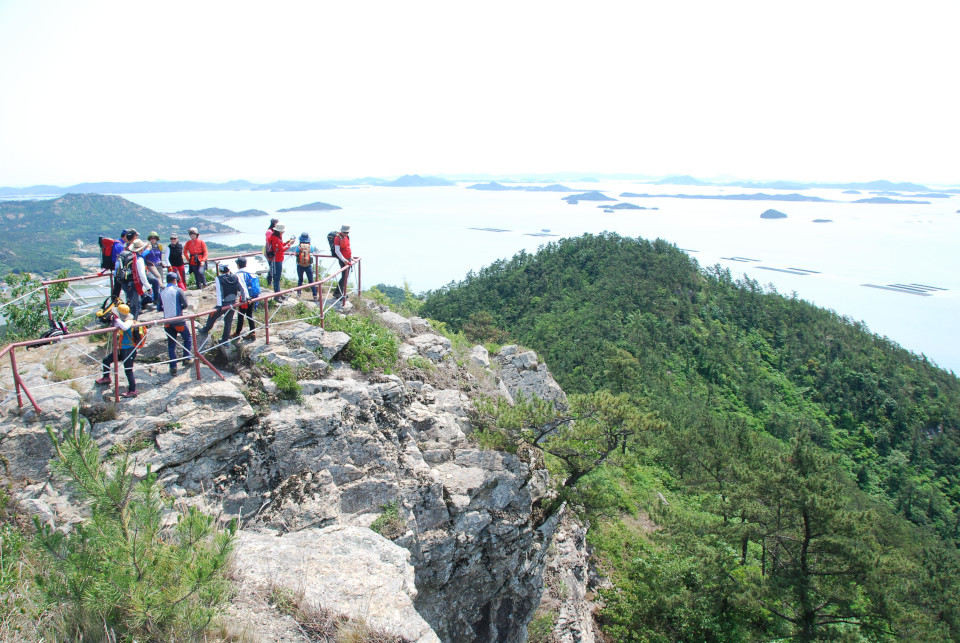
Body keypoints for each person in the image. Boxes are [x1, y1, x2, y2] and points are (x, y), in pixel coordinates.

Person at [95, 303, 140, 398]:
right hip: (122, 348)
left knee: (128, 370)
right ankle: (106, 377)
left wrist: (117, 319)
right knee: (106, 360)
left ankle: (133, 390)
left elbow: (124, 327)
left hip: (129, 349)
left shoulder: (129, 321)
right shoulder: (122, 320)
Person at [199, 264, 249, 344]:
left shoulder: (219, 278)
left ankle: (205, 329)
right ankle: (225, 340)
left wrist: (219, 305)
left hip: (223, 304)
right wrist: (244, 299)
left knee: (212, 316)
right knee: (228, 322)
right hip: (233, 303)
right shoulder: (235, 276)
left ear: (220, 271)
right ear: (229, 270)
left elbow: (219, 292)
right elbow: (242, 288)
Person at [160, 272, 192, 375]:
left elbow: (158, 307)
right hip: (178, 320)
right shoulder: (178, 290)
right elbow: (185, 304)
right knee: (187, 338)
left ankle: (173, 366)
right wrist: (180, 308)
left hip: (167, 321)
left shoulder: (162, 292)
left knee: (171, 344)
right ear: (175, 280)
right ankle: (187, 358)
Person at [115, 238, 149, 319]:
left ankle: (128, 323)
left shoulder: (128, 256)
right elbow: (142, 275)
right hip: (134, 284)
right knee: (135, 306)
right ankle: (133, 325)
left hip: (125, 283)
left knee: (130, 304)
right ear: (141, 249)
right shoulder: (139, 259)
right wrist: (148, 287)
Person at [234, 256, 261, 341]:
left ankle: (237, 333)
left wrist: (244, 299)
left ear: (238, 264)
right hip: (253, 296)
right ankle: (252, 333)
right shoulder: (251, 272)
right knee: (249, 315)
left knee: (241, 315)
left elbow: (242, 287)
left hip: (246, 298)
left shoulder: (239, 274)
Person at [265, 223, 294, 295]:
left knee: (277, 277)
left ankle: (278, 293)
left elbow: (280, 246)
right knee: (277, 278)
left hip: (278, 259)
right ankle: (277, 294)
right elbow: (281, 249)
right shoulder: (275, 238)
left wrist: (287, 242)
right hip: (276, 260)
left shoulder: (276, 237)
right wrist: (289, 244)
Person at [332, 225, 356, 305]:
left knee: (346, 276)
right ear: (342, 231)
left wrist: (351, 258)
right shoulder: (337, 238)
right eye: (345, 232)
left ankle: (341, 292)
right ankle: (338, 292)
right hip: (344, 260)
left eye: (347, 232)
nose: (347, 234)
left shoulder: (346, 237)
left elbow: (347, 248)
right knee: (344, 276)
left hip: (348, 259)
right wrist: (344, 260)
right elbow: (337, 251)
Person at [142, 232, 164, 310]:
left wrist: (162, 262)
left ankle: (159, 297)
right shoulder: (147, 247)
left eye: (154, 238)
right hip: (151, 265)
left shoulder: (159, 246)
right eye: (151, 238)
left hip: (159, 264)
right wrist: (147, 264)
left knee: (161, 278)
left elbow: (160, 255)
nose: (153, 239)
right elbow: (144, 257)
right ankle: (157, 298)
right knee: (158, 278)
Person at [295, 232, 319, 300]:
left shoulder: (299, 246)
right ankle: (314, 295)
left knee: (300, 279)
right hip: (308, 265)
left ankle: (299, 293)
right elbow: (312, 253)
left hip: (300, 265)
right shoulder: (310, 247)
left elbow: (295, 254)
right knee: (311, 281)